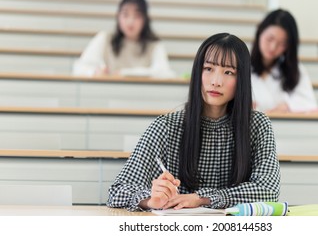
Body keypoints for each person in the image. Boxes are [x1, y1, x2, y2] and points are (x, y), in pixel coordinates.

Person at [106, 33, 281, 211]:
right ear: (197, 72)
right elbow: (118, 191)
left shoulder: (258, 126)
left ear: (242, 80)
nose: (216, 81)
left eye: (228, 72)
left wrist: (202, 198)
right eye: (208, 69)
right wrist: (150, 200)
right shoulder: (167, 126)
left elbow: (268, 190)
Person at [72, 0, 174, 77]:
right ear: (118, 17)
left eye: (137, 16)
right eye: (125, 15)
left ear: (145, 19)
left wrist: (124, 73)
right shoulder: (105, 38)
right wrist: (95, 72)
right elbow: (79, 67)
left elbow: (164, 73)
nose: (130, 22)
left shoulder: (154, 44)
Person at [251, 9, 318, 113]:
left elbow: (309, 104)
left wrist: (288, 107)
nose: (273, 47)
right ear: (260, 32)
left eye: (282, 43)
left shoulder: (295, 70)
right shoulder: (240, 66)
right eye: (270, 39)